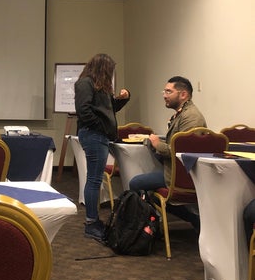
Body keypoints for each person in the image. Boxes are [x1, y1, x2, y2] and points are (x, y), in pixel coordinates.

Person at [129, 76, 207, 232]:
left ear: (183, 94)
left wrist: (157, 144)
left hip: (181, 176)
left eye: (168, 92)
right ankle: (156, 222)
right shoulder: (182, 114)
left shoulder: (191, 117)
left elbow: (183, 153)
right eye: (164, 91)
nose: (164, 95)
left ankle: (147, 227)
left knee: (136, 184)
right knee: (149, 191)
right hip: (176, 171)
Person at [74, 53, 130, 241]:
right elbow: (83, 111)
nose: (111, 75)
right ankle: (91, 223)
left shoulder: (100, 86)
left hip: (98, 135)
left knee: (95, 179)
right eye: (109, 71)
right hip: (93, 135)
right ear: (102, 69)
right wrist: (101, 127)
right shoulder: (85, 83)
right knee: (94, 180)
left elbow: (109, 109)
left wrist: (123, 99)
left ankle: (93, 221)